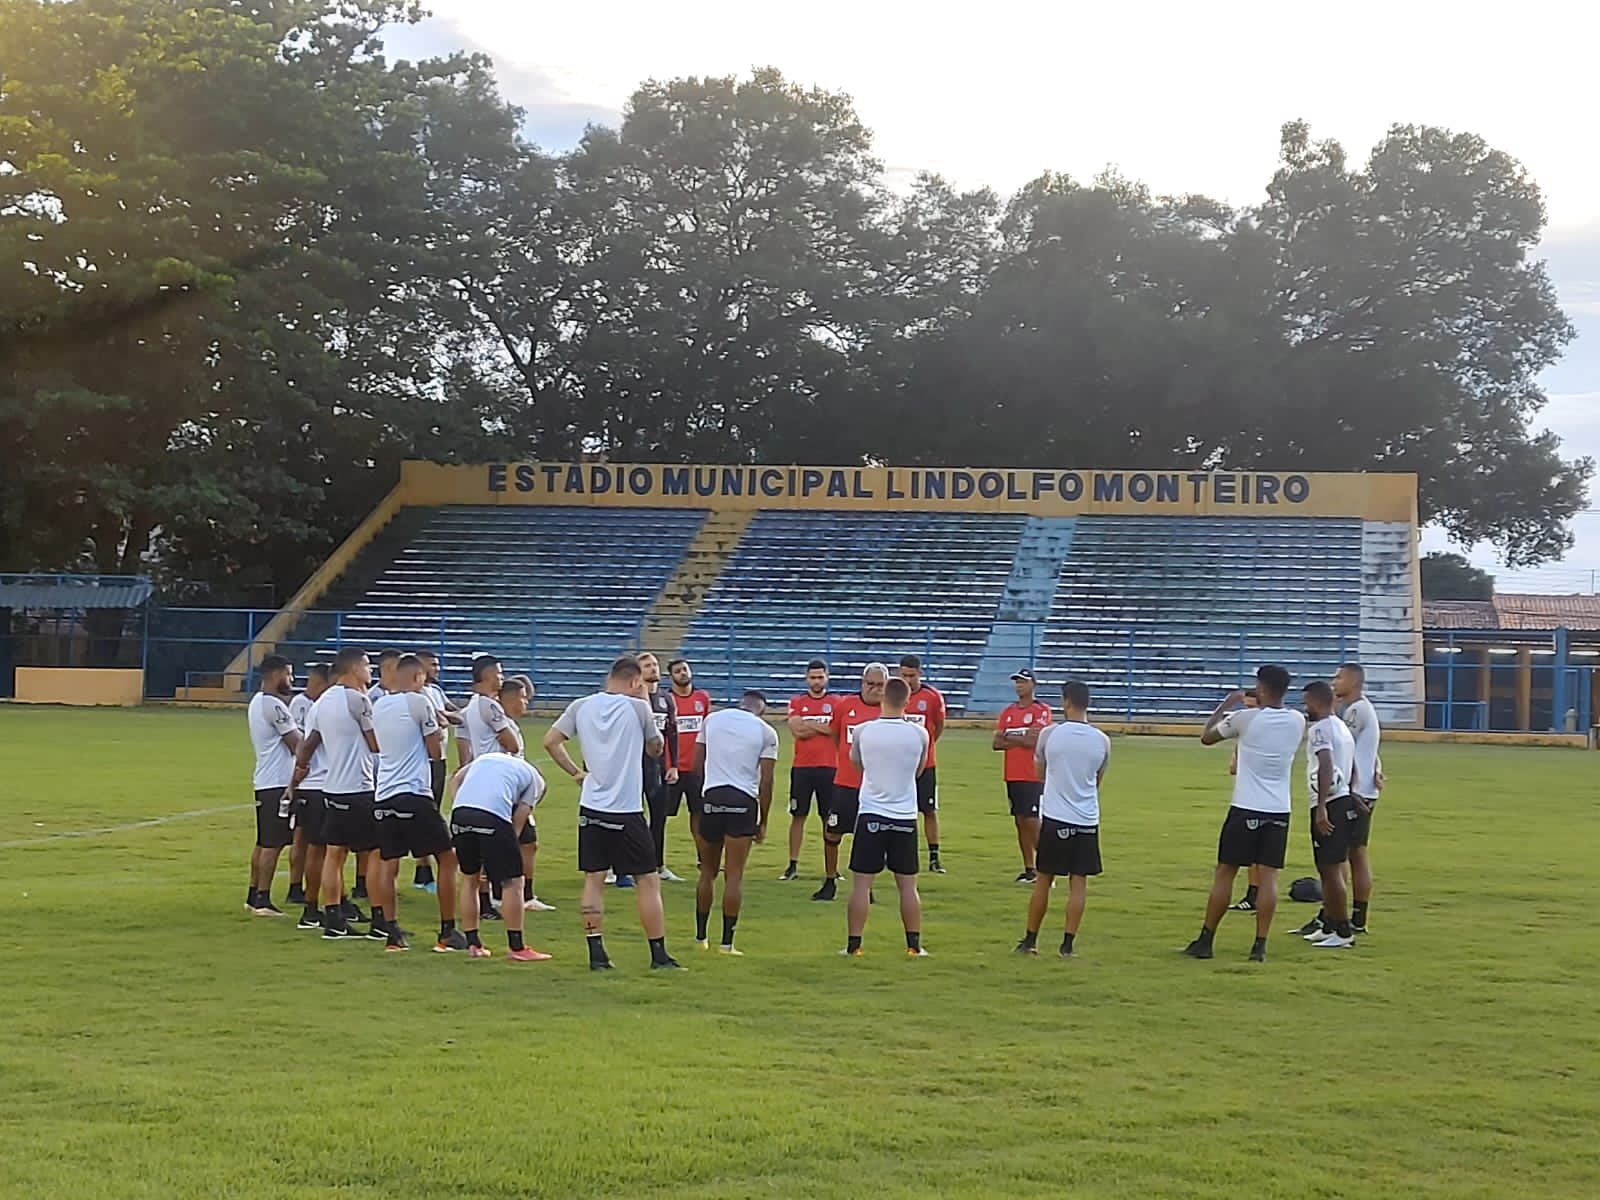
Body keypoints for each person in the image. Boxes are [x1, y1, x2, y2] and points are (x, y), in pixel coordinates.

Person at [543, 655, 683, 971]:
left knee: (593, 878)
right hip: (626, 809)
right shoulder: (638, 707)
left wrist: (576, 773)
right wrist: (644, 704)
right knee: (647, 880)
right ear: (635, 681)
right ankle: (658, 954)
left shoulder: (581, 705)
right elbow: (656, 748)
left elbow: (551, 741)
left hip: (592, 806)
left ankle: (596, 953)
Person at [1186, 665, 1305, 963]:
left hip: (1246, 806)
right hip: (1279, 809)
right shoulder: (1297, 720)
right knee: (1269, 878)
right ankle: (1259, 946)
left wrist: (1224, 706)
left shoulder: (1245, 718)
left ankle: (1206, 940)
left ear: (1261, 688)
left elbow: (1207, 737)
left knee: (1225, 872)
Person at [371, 655, 462, 952]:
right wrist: (437, 728)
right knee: (447, 858)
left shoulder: (379, 704)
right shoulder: (419, 701)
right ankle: (447, 930)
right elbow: (435, 751)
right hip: (413, 791)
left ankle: (392, 933)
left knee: (389, 863)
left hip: (384, 792)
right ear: (416, 677)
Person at [290, 647, 381, 940]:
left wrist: (300, 771)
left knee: (334, 854)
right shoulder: (358, 699)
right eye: (367, 665)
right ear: (354, 669)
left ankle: (333, 919)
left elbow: (307, 745)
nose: (370, 670)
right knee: (376, 853)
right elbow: (376, 743)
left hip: (332, 788)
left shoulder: (321, 702)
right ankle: (380, 921)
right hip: (359, 786)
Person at [1016, 680, 1109, 958]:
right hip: (1086, 819)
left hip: (1056, 817)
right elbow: (1096, 781)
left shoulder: (1050, 734)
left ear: (1066, 701)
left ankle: (1030, 940)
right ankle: (1067, 945)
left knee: (1044, 879)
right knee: (1078, 883)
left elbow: (1039, 773)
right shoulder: (1102, 740)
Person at [841, 677, 930, 958]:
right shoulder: (919, 734)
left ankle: (854, 946)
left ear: (882, 697)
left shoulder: (863, 731)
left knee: (861, 885)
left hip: (871, 813)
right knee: (908, 886)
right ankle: (914, 945)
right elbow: (919, 770)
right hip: (904, 816)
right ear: (907, 700)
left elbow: (857, 764)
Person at [445, 752, 553, 962]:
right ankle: (517, 948)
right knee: (513, 881)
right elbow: (517, 826)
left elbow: (456, 778)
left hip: (460, 813)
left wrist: (460, 804)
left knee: (470, 878)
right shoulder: (536, 782)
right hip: (491, 815)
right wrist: (499, 856)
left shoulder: (487, 759)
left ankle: (473, 944)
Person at [692, 691, 778, 954]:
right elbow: (766, 781)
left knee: (707, 872)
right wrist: (763, 820)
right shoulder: (766, 731)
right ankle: (726, 943)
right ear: (761, 710)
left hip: (713, 796)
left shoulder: (712, 720)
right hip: (743, 801)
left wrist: (703, 800)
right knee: (734, 875)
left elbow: (696, 765)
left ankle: (700, 938)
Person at [814, 663, 887, 902]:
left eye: (880, 685)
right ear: (862, 683)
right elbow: (836, 736)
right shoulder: (845, 705)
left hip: (875, 787)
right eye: (870, 684)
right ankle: (830, 880)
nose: (875, 689)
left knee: (869, 838)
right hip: (845, 783)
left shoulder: (890, 711)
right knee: (832, 833)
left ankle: (866, 888)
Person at [1297, 681, 1360, 949]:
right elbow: (1353, 764)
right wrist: (1353, 792)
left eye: (1306, 702)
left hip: (1330, 802)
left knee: (1331, 871)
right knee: (1328, 869)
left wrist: (1321, 806)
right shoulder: (1341, 727)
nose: (1305, 708)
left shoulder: (1320, 729)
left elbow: (1325, 764)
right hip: (1343, 798)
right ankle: (1330, 925)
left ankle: (1343, 931)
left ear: (1315, 700)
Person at [245, 655, 300, 916]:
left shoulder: (257, 701)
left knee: (263, 842)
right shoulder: (274, 706)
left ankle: (253, 894)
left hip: (265, 781)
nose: (292, 679)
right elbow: (297, 744)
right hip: (278, 783)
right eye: (289, 674)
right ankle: (263, 900)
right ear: (276, 675)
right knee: (273, 844)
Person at [497, 676, 555, 913]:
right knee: (517, 842)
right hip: (509, 793)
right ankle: (507, 893)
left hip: (516, 790)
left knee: (528, 844)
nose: (526, 703)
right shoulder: (501, 725)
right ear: (511, 699)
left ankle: (520, 893)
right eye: (523, 698)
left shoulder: (509, 724)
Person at [1335, 662, 1383, 935]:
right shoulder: (1363, 709)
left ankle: (1334, 917)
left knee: (1340, 856)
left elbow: (1343, 747)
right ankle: (1357, 917)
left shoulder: (1356, 711)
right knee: (1356, 853)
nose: (1334, 681)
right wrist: (1376, 768)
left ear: (1353, 682)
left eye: (1339, 677)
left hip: (1355, 792)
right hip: (1365, 789)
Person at [993, 669, 1052, 883]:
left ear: (1033, 684)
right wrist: (1021, 737)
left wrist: (1009, 737)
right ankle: (1029, 869)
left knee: (1032, 822)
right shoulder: (1008, 711)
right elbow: (996, 743)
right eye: (1017, 682)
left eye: (1023, 682)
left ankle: (1047, 869)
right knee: (1020, 822)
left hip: (1032, 775)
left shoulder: (1041, 710)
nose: (1019, 686)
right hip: (1012, 774)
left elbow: (1032, 741)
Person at [412, 649, 463, 894]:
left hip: (438, 759)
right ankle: (424, 871)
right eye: (432, 664)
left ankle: (422, 872)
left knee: (432, 812)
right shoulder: (416, 696)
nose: (437, 668)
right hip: (424, 761)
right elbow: (440, 720)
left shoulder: (435, 691)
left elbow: (457, 714)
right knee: (428, 815)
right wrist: (443, 717)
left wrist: (447, 715)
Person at [781, 659, 836, 882]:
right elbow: (798, 732)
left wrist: (808, 723)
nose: (816, 681)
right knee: (798, 816)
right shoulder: (797, 701)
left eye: (820, 677)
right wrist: (821, 726)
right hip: (802, 768)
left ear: (827, 677)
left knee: (829, 818)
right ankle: (792, 864)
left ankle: (831, 868)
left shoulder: (836, 702)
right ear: (807, 678)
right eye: (813, 677)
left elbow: (834, 730)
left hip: (830, 767)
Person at [285, 664, 331, 909]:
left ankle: (300, 890)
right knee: (312, 841)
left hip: (305, 778)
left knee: (305, 836)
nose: (306, 687)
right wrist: (296, 775)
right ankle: (304, 893)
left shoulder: (315, 705)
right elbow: (303, 744)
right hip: (312, 779)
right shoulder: (305, 704)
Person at [898, 655, 947, 873]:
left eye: (911, 675)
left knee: (928, 809)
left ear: (920, 673)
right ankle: (898, 854)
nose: (908, 680)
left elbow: (938, 726)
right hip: (898, 765)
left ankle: (934, 856)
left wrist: (926, 748)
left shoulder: (932, 697)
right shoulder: (894, 695)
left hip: (925, 764)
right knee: (899, 809)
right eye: (904, 675)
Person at [637, 652, 682, 883]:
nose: (653, 668)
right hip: (634, 766)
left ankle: (658, 865)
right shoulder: (632, 700)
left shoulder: (666, 699)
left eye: (655, 664)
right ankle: (622, 866)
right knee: (631, 816)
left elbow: (672, 733)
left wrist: (673, 766)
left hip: (658, 766)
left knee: (659, 816)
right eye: (647, 665)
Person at [667, 658, 711, 848]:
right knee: (661, 814)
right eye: (677, 671)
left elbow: (708, 729)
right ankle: (653, 858)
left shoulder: (702, 698)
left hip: (697, 768)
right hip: (672, 767)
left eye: (685, 669)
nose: (683, 673)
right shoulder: (666, 700)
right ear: (671, 677)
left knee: (699, 813)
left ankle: (703, 857)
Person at [1227, 689, 1264, 912]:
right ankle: (1255, 897)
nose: (1247, 712)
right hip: (1259, 799)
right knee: (1256, 856)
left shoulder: (1255, 733)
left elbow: (1234, 767)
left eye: (1251, 707)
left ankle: (1254, 897)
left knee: (1253, 855)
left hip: (1253, 801)